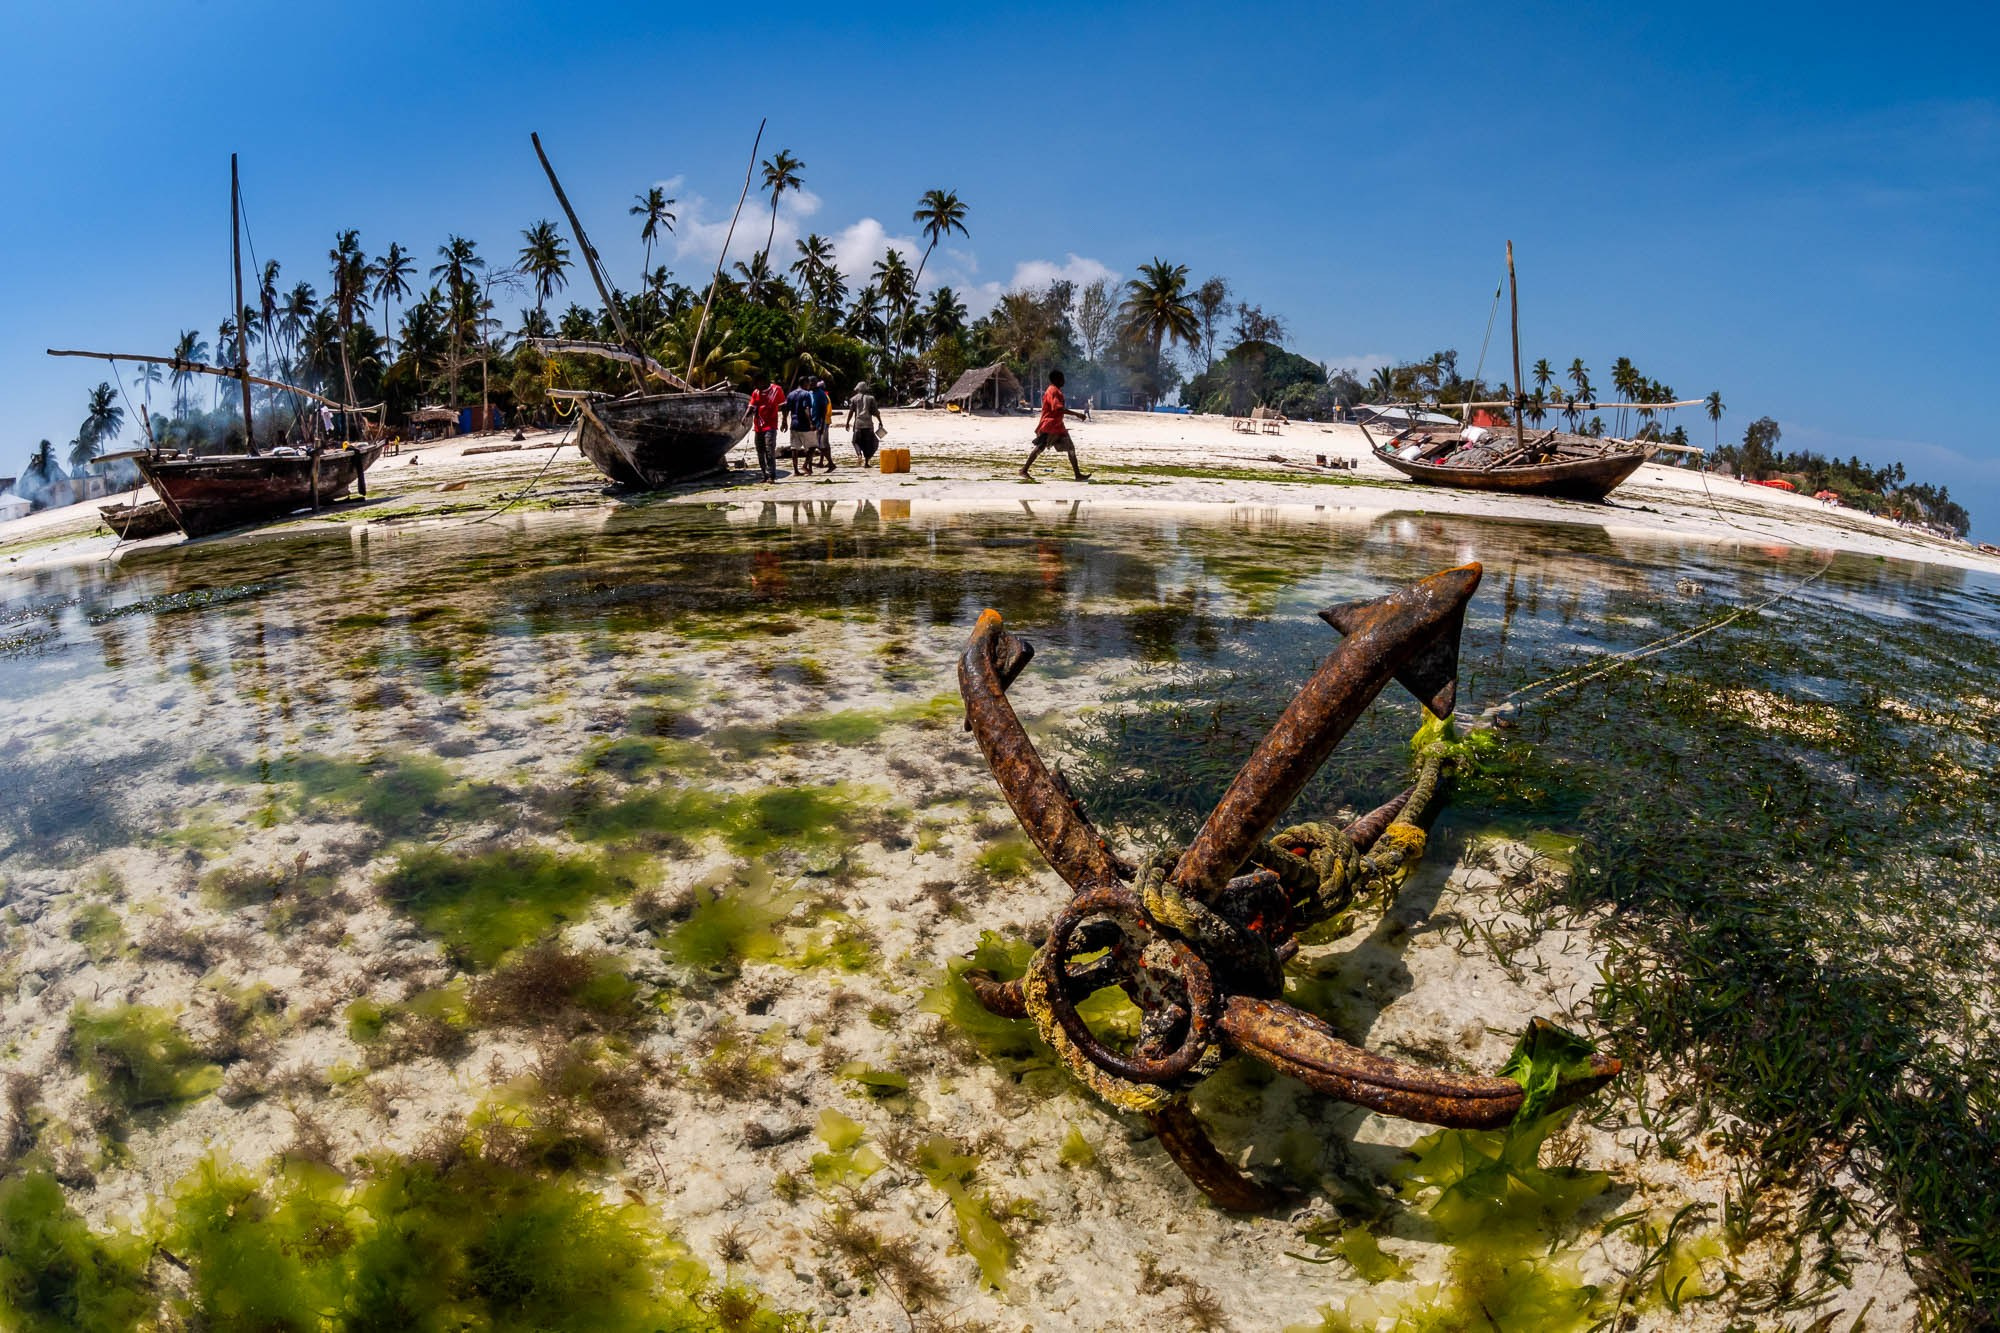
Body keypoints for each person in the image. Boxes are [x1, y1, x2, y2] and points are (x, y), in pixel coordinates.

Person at [1021, 369, 1090, 481]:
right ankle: (1024, 470)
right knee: (1040, 447)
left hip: (1058, 425)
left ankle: (1077, 475)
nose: (1064, 381)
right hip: (1050, 425)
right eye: (1062, 378)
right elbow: (1057, 408)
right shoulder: (1053, 391)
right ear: (1057, 379)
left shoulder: (1055, 390)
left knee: (1070, 448)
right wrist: (1077, 414)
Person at [742, 378, 784, 482]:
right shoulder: (756, 392)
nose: (756, 387)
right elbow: (751, 406)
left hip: (770, 426)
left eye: (758, 384)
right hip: (758, 427)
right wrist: (745, 416)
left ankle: (771, 475)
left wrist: (785, 421)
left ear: (764, 382)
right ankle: (764, 474)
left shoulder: (776, 389)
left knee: (769, 450)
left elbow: (783, 405)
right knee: (760, 451)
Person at [784, 377, 819, 475]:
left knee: (794, 448)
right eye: (808, 383)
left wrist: (784, 421)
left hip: (794, 424)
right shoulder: (806, 394)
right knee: (813, 446)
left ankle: (796, 471)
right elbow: (806, 408)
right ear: (805, 383)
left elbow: (786, 409)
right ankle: (805, 465)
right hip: (804, 424)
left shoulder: (790, 394)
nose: (809, 385)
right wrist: (811, 422)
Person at [844, 381, 885, 464]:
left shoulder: (854, 399)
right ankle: (866, 462)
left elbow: (851, 412)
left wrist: (847, 423)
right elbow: (876, 412)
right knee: (869, 444)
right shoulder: (871, 398)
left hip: (858, 425)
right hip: (868, 425)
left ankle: (859, 455)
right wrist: (880, 421)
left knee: (855, 441)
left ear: (858, 389)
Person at [811, 378, 835, 471]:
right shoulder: (824, 396)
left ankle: (829, 462)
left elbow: (826, 411)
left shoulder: (824, 396)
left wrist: (821, 422)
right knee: (822, 443)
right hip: (824, 421)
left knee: (822, 443)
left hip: (824, 422)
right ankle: (822, 462)